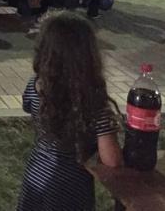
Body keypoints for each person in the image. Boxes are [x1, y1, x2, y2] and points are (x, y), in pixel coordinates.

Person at [17, 12, 122, 211]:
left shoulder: (35, 85)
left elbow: (27, 105)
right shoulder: (92, 102)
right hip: (70, 188)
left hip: (36, 176)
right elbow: (112, 160)